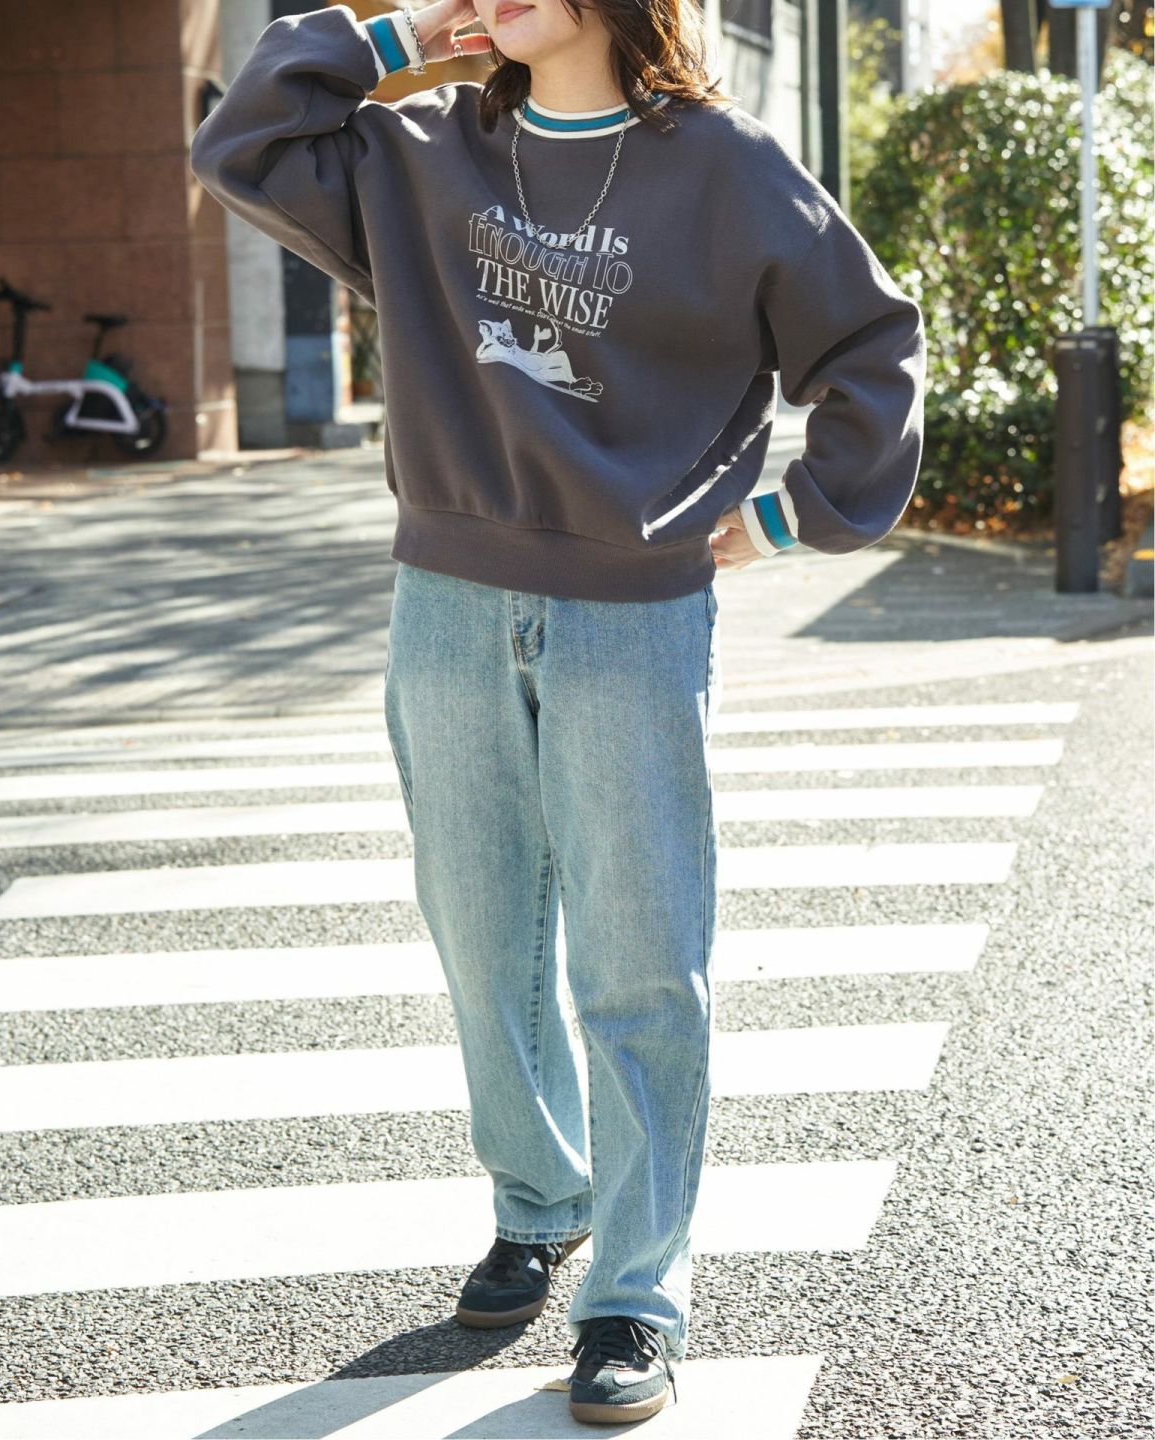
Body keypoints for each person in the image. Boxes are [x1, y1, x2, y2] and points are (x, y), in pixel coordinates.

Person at [190, 0, 926, 1423]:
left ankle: (638, 1289)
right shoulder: (416, 154)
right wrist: (399, 32)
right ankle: (540, 1200)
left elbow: (873, 342)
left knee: (641, 955)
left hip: (629, 616)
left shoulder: (724, 167)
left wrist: (800, 511)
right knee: (485, 939)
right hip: (446, 602)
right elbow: (242, 141)